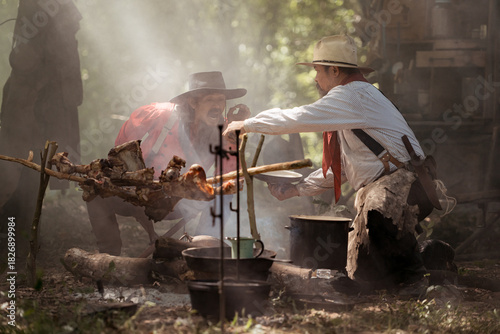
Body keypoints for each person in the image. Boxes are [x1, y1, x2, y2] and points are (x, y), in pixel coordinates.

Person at [223, 35, 434, 293]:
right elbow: (343, 169)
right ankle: (430, 259)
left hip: (404, 188)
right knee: (363, 275)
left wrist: (248, 124)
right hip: (401, 187)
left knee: (378, 210)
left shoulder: (352, 95)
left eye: (317, 70)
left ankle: (416, 279)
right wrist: (298, 189)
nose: (315, 78)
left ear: (334, 71)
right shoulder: (352, 100)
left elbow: (298, 118)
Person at [88, 71, 249, 255]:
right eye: (209, 100)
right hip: (137, 195)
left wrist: (233, 137)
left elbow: (231, 178)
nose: (217, 106)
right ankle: (109, 259)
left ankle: (199, 255)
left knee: (224, 193)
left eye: (220, 100)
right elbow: (119, 152)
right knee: (96, 190)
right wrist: (135, 183)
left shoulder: (226, 131)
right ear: (193, 102)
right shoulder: (158, 115)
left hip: (181, 202)